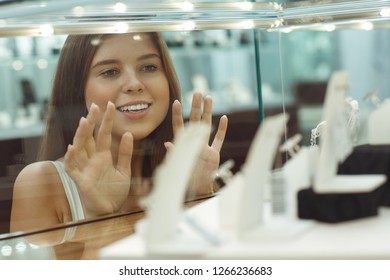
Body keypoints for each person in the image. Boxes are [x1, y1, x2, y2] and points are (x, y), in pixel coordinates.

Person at [10, 32, 228, 233]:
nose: (134, 84)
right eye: (110, 72)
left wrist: (201, 195)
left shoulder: (191, 170)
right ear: (77, 89)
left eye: (149, 67)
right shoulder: (41, 182)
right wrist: (99, 216)